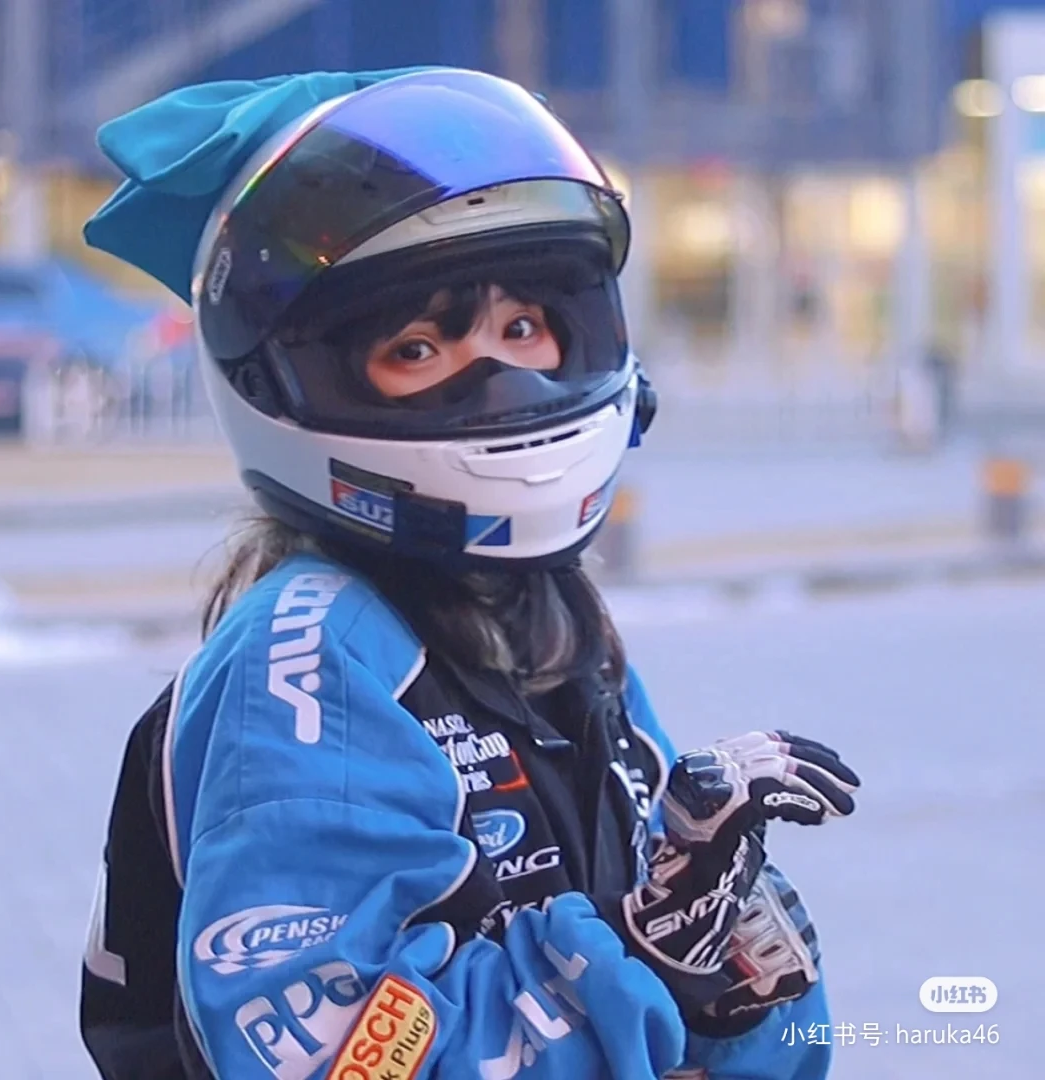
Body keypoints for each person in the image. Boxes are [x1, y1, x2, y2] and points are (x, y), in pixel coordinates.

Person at [78, 68, 861, 1080]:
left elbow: (748, 1033)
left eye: (522, 329)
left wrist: (726, 962)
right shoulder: (312, 656)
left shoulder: (554, 627)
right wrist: (644, 955)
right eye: (419, 348)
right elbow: (339, 1059)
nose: (502, 382)